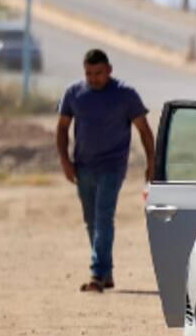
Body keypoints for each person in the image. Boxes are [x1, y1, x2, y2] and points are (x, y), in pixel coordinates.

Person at [56, 48, 154, 293]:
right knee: (91, 221)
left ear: (109, 70)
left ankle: (97, 275)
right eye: (89, 73)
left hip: (112, 166)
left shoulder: (125, 95)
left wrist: (151, 162)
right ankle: (106, 273)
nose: (94, 78)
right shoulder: (74, 93)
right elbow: (61, 128)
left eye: (98, 73)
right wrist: (65, 161)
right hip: (83, 166)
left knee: (103, 217)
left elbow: (144, 129)